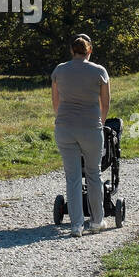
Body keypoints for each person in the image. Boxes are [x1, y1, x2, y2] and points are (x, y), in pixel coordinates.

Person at [51, 34, 111, 237]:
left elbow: (55, 103)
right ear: (89, 51)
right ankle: (96, 221)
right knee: (94, 174)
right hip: (91, 128)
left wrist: (62, 121)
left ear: (72, 51)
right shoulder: (100, 72)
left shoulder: (59, 70)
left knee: (73, 178)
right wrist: (100, 124)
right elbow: (105, 103)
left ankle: (76, 225)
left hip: (65, 128)